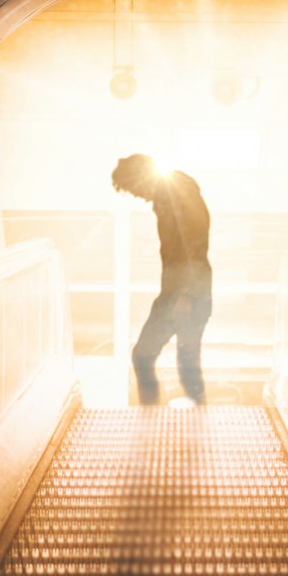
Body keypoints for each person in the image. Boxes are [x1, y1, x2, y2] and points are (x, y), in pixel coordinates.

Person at [111, 154, 212, 405]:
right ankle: (190, 420)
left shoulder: (177, 195)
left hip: (185, 295)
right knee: (186, 363)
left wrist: (185, 296)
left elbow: (194, 246)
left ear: (140, 176)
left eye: (133, 188)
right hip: (183, 293)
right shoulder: (171, 196)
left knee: (146, 358)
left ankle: (153, 418)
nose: (136, 195)